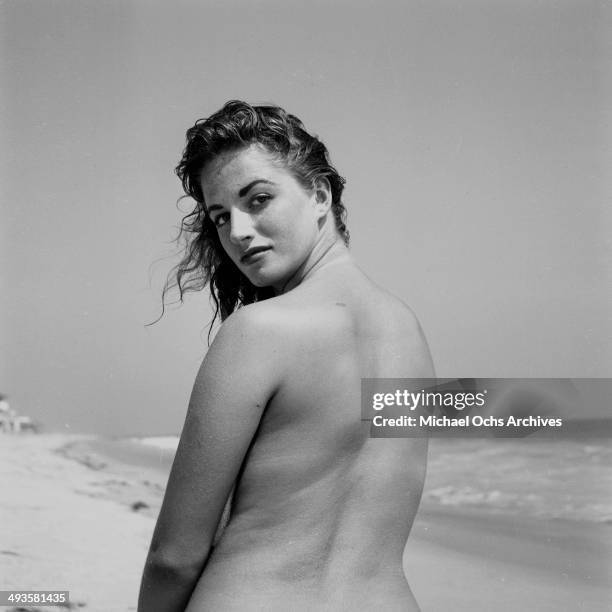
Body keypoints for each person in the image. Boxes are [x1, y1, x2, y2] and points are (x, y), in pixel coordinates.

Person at [138, 100, 435, 611]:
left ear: (320, 194)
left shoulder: (258, 331)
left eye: (258, 199)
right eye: (220, 216)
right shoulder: (410, 333)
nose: (237, 231)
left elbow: (176, 556)